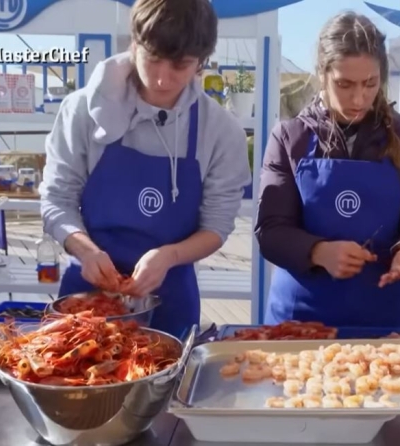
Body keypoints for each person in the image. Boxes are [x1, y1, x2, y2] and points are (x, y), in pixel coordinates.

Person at [39, 0, 251, 339]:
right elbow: (56, 200)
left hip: (171, 296)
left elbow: (217, 226)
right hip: (87, 293)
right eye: (152, 59)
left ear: (201, 62)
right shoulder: (81, 110)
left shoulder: (221, 131)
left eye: (180, 66)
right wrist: (85, 249)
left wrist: (170, 255)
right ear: (133, 43)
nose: (162, 79)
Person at [255, 12, 400, 328]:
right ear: (322, 74)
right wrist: (318, 252)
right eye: (344, 84)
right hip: (299, 321)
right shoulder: (290, 138)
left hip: (383, 320)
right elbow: (270, 230)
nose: (359, 98)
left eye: (370, 83)